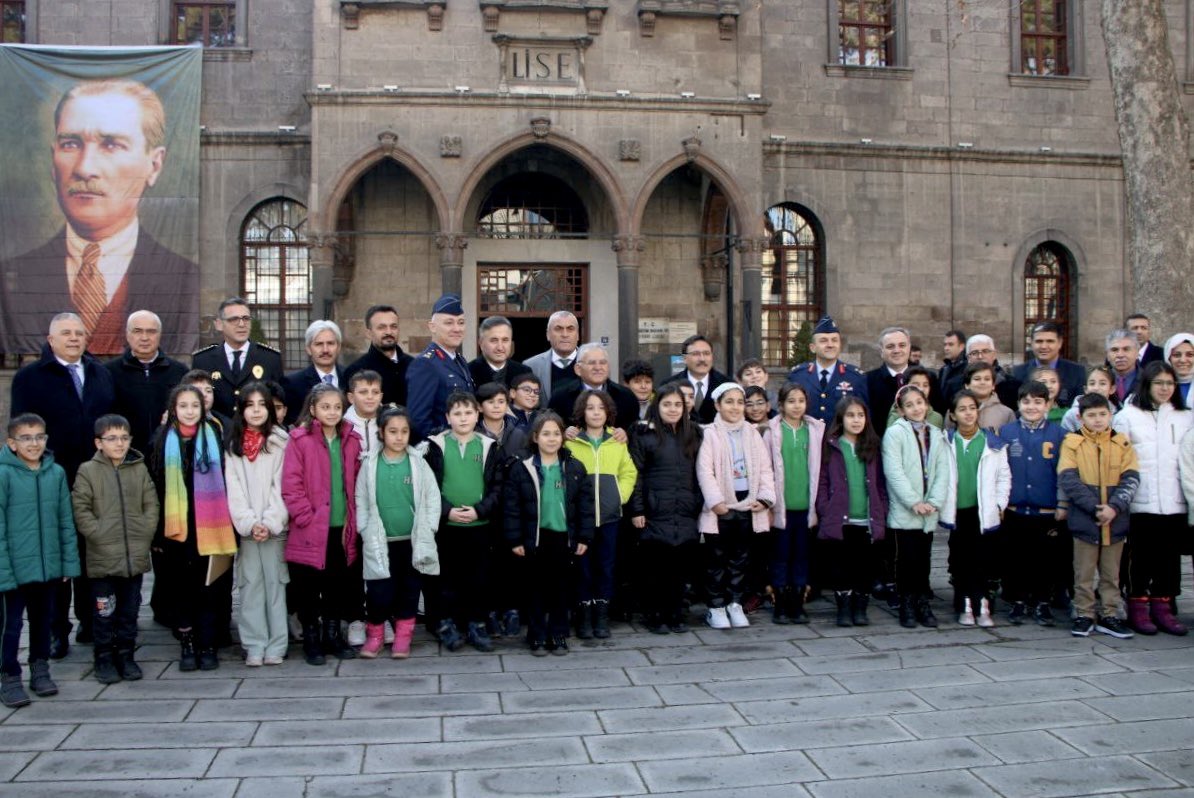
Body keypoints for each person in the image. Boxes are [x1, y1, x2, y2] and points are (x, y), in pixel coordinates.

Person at [0, 79, 198, 355]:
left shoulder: (183, 275)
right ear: (53, 162)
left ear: (154, 164)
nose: (85, 168)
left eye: (111, 145)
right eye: (70, 144)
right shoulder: (13, 276)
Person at [9, 312, 114, 658]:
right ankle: (57, 629)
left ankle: (89, 620)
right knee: (57, 555)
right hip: (52, 478)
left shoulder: (101, 373)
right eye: (66, 333)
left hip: (95, 478)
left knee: (90, 551)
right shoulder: (30, 378)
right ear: (51, 340)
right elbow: (22, 430)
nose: (73, 338)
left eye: (79, 333)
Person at [148, 385, 238, 672]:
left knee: (208, 588)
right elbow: (155, 489)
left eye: (194, 406)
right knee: (180, 588)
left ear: (203, 409)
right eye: (183, 406)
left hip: (209, 525)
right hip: (176, 529)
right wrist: (158, 532)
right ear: (173, 409)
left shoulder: (215, 438)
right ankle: (187, 643)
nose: (189, 411)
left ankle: (207, 643)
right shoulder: (162, 441)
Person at [0, 413, 80, 708]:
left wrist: (67, 563)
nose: (34, 443)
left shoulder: (55, 473)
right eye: (25, 437)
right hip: (15, 568)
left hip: (47, 566)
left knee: (42, 620)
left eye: (39, 437)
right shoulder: (4, 474)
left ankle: (40, 666)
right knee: (10, 626)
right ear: (11, 443)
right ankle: (9, 674)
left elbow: (65, 521)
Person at [71, 414, 158, 683]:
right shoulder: (88, 470)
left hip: (133, 555)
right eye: (112, 439)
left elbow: (151, 504)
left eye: (124, 438)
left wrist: (144, 533)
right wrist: (97, 533)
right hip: (102, 558)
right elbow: (81, 508)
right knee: (104, 612)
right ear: (99, 443)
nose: (119, 444)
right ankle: (104, 658)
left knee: (129, 611)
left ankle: (126, 655)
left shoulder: (138, 467)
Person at [281, 383, 363, 665]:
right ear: (313, 409)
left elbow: (356, 480)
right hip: (310, 527)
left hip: (342, 526)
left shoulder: (351, 440)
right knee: (307, 585)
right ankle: (312, 637)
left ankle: (332, 634)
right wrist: (305, 516)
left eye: (337, 407)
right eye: (325, 407)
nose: (332, 412)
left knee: (336, 583)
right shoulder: (299, 439)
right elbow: (291, 484)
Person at [504, 412, 595, 655]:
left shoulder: (574, 467)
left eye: (556, 433)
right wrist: (514, 539)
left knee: (560, 589)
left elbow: (585, 506)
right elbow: (512, 507)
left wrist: (584, 537)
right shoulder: (521, 468)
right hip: (534, 537)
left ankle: (558, 634)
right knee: (535, 589)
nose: (552, 439)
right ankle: (536, 635)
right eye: (546, 434)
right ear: (535, 437)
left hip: (562, 538)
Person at [355, 406, 440, 659]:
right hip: (380, 540)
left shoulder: (417, 462)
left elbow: (432, 498)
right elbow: (361, 498)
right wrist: (364, 527)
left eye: (404, 431)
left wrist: (429, 528)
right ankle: (376, 636)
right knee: (379, 591)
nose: (399, 437)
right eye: (392, 431)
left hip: (411, 541)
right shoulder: (369, 463)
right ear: (381, 433)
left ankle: (404, 637)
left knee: (409, 589)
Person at [1113, 361, 1192, 635]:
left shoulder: (1184, 416)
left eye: (1170, 383)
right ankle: (1137, 606)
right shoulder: (1129, 416)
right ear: (1147, 384)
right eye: (1159, 383)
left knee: (1168, 558)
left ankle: (1163, 607)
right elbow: (1119, 459)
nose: (1165, 389)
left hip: (1173, 500)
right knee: (1141, 557)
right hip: (1141, 501)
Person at [422, 391, 502, 652]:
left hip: (479, 526)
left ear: (477, 414)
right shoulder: (436, 445)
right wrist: (446, 511)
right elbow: (429, 485)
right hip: (447, 527)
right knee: (446, 579)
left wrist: (480, 510)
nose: (463, 418)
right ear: (448, 417)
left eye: (468, 412)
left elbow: (497, 486)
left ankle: (476, 624)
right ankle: (446, 624)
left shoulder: (488, 445)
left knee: (477, 579)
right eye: (457, 413)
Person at [1059, 393, 1139, 639]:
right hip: (1086, 518)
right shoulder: (1072, 442)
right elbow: (1069, 478)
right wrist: (1095, 507)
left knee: (1111, 572)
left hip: (1115, 519)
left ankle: (1110, 613)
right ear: (1080, 417)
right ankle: (1084, 612)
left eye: (1102, 414)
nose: (1097, 420)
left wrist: (1114, 507)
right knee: (1083, 572)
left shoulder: (1122, 442)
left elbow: (1131, 477)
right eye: (1091, 415)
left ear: (1110, 415)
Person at [697, 383, 776, 630]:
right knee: (716, 559)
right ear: (718, 405)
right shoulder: (708, 433)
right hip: (721, 506)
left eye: (740, 402)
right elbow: (705, 470)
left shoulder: (752, 433)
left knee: (740, 559)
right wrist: (716, 501)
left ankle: (735, 603)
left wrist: (764, 498)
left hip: (747, 505)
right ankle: (716, 606)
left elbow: (765, 468)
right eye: (729, 402)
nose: (735, 407)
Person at [224, 383, 291, 667]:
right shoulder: (233, 445)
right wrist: (250, 523)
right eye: (249, 405)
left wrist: (270, 521)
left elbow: (283, 485)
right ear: (241, 410)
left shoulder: (280, 442)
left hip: (274, 529)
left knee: (275, 585)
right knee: (250, 586)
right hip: (249, 531)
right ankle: (254, 643)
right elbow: (234, 488)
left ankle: (277, 643)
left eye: (262, 405)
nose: (256, 410)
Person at [629, 384, 703, 634]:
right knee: (655, 568)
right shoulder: (644, 434)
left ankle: (676, 613)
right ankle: (655, 615)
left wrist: (698, 504)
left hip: (684, 510)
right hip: (654, 511)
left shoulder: (694, 433)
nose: (673, 409)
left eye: (678, 405)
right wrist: (638, 509)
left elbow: (701, 472)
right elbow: (635, 474)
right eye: (667, 404)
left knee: (680, 568)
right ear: (656, 406)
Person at [565, 389, 637, 639]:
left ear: (608, 413)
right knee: (582, 568)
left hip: (609, 517)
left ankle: (601, 615)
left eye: (600, 408)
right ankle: (583, 615)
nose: (596, 412)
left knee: (606, 566)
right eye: (590, 408)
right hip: (581, 520)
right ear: (581, 413)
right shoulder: (571, 442)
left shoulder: (616, 441)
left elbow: (629, 473)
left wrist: (619, 497)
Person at [998, 381, 1068, 626]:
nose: (1032, 406)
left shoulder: (1059, 435)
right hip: (1015, 509)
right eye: (1026, 401)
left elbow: (1064, 472)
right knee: (1017, 558)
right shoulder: (1006, 433)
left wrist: (1062, 503)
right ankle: (1018, 600)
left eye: (1038, 401)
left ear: (1048, 404)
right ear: (1018, 404)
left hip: (1046, 509)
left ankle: (1042, 601)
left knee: (1045, 559)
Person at [939, 390, 1010, 628]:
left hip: (982, 511)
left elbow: (1003, 477)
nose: (968, 413)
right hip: (958, 511)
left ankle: (983, 602)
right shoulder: (946, 441)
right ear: (953, 414)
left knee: (982, 558)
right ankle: (964, 602)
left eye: (972, 408)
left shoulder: (992, 443)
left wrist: (1000, 504)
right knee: (960, 558)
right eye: (962, 409)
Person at [816, 397, 888, 627]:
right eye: (850, 415)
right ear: (840, 419)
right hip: (840, 518)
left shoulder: (872, 445)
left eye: (860, 415)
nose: (856, 420)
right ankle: (844, 608)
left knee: (864, 566)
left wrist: (882, 509)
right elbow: (823, 481)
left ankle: (860, 607)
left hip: (866, 519)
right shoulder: (831, 445)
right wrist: (825, 508)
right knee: (841, 566)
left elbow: (880, 483)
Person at [882, 385, 950, 629]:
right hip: (906, 509)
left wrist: (934, 501)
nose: (916, 408)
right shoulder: (894, 433)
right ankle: (907, 602)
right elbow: (894, 471)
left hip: (928, 509)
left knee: (924, 558)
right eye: (909, 405)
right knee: (907, 559)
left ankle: (923, 600)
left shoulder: (936, 433)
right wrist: (913, 501)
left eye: (919, 403)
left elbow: (943, 470)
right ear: (901, 410)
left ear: (927, 404)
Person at [763, 383, 824, 624]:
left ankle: (798, 601)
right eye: (791, 401)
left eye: (800, 400)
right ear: (781, 405)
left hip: (806, 507)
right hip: (781, 507)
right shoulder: (772, 432)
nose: (796, 405)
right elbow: (765, 469)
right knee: (780, 555)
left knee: (801, 555)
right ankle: (780, 601)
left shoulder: (815, 431)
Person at [105, 310, 187, 454]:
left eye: (151, 332)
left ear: (160, 335)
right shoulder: (108, 372)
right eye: (137, 331)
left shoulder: (180, 372)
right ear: (127, 334)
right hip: (124, 455)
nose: (144, 337)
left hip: (169, 453)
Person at [192, 298, 283, 419]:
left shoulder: (270, 358)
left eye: (246, 319)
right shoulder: (203, 360)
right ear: (219, 324)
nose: (241, 324)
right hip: (218, 431)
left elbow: (279, 401)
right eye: (234, 319)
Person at [406, 293, 476, 441]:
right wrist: (439, 450)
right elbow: (418, 420)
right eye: (449, 323)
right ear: (432, 327)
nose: (457, 328)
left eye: (461, 322)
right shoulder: (425, 364)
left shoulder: (459, 360)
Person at [787, 316, 867, 424]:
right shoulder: (798, 376)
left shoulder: (855, 378)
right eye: (823, 341)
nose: (830, 345)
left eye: (834, 340)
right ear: (812, 347)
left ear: (840, 345)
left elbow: (865, 417)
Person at [548, 344, 640, 437]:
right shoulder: (560, 397)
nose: (598, 368)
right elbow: (549, 426)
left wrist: (626, 433)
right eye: (592, 363)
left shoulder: (626, 396)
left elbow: (636, 429)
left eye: (603, 363)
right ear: (578, 369)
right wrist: (563, 432)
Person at [867, 326, 936, 438]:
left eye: (902, 345)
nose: (897, 350)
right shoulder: (868, 380)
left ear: (909, 348)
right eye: (890, 346)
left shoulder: (928, 378)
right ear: (881, 351)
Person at [343, 304, 413, 407]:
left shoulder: (414, 366)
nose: (388, 332)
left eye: (393, 326)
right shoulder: (355, 371)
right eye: (382, 327)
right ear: (369, 333)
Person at [281, 320, 347, 426]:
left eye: (330, 343)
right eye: (319, 344)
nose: (325, 350)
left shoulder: (350, 377)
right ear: (308, 349)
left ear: (338, 347)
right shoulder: (293, 383)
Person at [660, 334, 731, 425]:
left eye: (706, 353)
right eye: (696, 354)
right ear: (684, 358)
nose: (702, 359)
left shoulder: (726, 385)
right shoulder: (669, 385)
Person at [1012, 322, 1085, 405]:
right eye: (1039, 341)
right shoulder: (1018, 373)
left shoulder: (1077, 372)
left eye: (1050, 341)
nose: (1044, 346)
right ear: (1031, 343)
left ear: (1060, 343)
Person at [522, 311, 582, 404]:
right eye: (558, 329)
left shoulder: (593, 364)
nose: (565, 334)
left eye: (570, 329)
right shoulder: (531, 366)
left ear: (578, 334)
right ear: (548, 334)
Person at [468, 315, 532, 388]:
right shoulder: (468, 373)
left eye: (505, 340)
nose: (500, 347)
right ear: (481, 343)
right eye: (494, 340)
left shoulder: (524, 373)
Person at [962, 334, 1021, 410]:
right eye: (974, 353)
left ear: (994, 355)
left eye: (985, 351)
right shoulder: (957, 384)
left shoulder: (1013, 386)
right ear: (968, 358)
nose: (980, 356)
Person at [954, 362, 1016, 433]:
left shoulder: (1006, 413)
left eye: (987, 379)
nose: (982, 382)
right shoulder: (955, 409)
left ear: (993, 385)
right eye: (977, 379)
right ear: (967, 385)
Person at [884, 366, 945, 431]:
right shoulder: (896, 416)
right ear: (905, 386)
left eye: (925, 385)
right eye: (916, 385)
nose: (921, 389)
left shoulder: (937, 418)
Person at [1062, 366, 1119, 433]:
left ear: (1112, 389)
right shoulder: (1072, 414)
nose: (1096, 388)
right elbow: (1065, 440)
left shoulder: (1116, 415)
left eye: (1102, 384)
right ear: (1086, 389)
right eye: (1092, 384)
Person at [344, 369, 385, 458]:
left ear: (381, 397)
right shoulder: (342, 426)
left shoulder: (389, 421)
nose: (370, 397)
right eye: (363, 392)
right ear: (351, 398)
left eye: (375, 392)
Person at [937, 328, 968, 412]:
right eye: (945, 345)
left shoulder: (968, 369)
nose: (946, 348)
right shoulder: (944, 370)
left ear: (961, 346)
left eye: (950, 344)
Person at [1106, 329, 1141, 404]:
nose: (1120, 355)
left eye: (1126, 349)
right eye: (1114, 350)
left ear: (1137, 352)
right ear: (1107, 355)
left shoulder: (1148, 379)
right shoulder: (1098, 381)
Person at [1164, 332, 1194, 406]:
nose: (1183, 360)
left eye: (1190, 355)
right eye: (1177, 355)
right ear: (1168, 358)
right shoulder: (1158, 386)